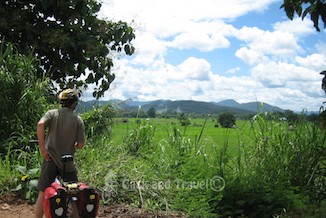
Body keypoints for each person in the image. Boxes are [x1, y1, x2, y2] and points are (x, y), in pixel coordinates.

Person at [34, 89, 85, 218]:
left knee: (42, 191)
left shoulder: (52, 114)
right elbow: (80, 145)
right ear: (73, 103)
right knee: (74, 192)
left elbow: (40, 124)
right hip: (67, 163)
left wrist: (43, 150)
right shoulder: (78, 120)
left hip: (50, 159)